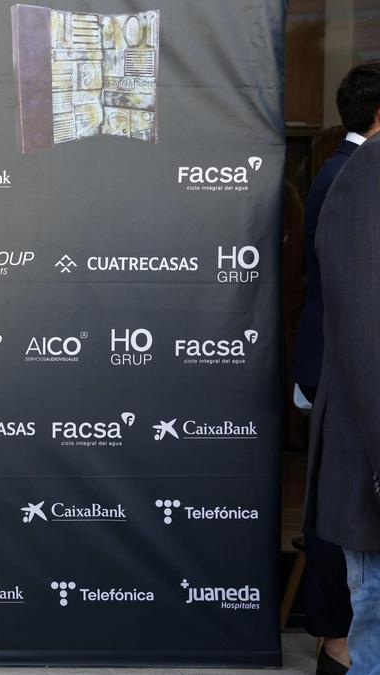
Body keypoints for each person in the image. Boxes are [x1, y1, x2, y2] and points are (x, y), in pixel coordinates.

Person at [293, 60, 380, 675]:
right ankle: (334, 640)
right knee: (364, 583)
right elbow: (361, 320)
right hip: (350, 391)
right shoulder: (359, 172)